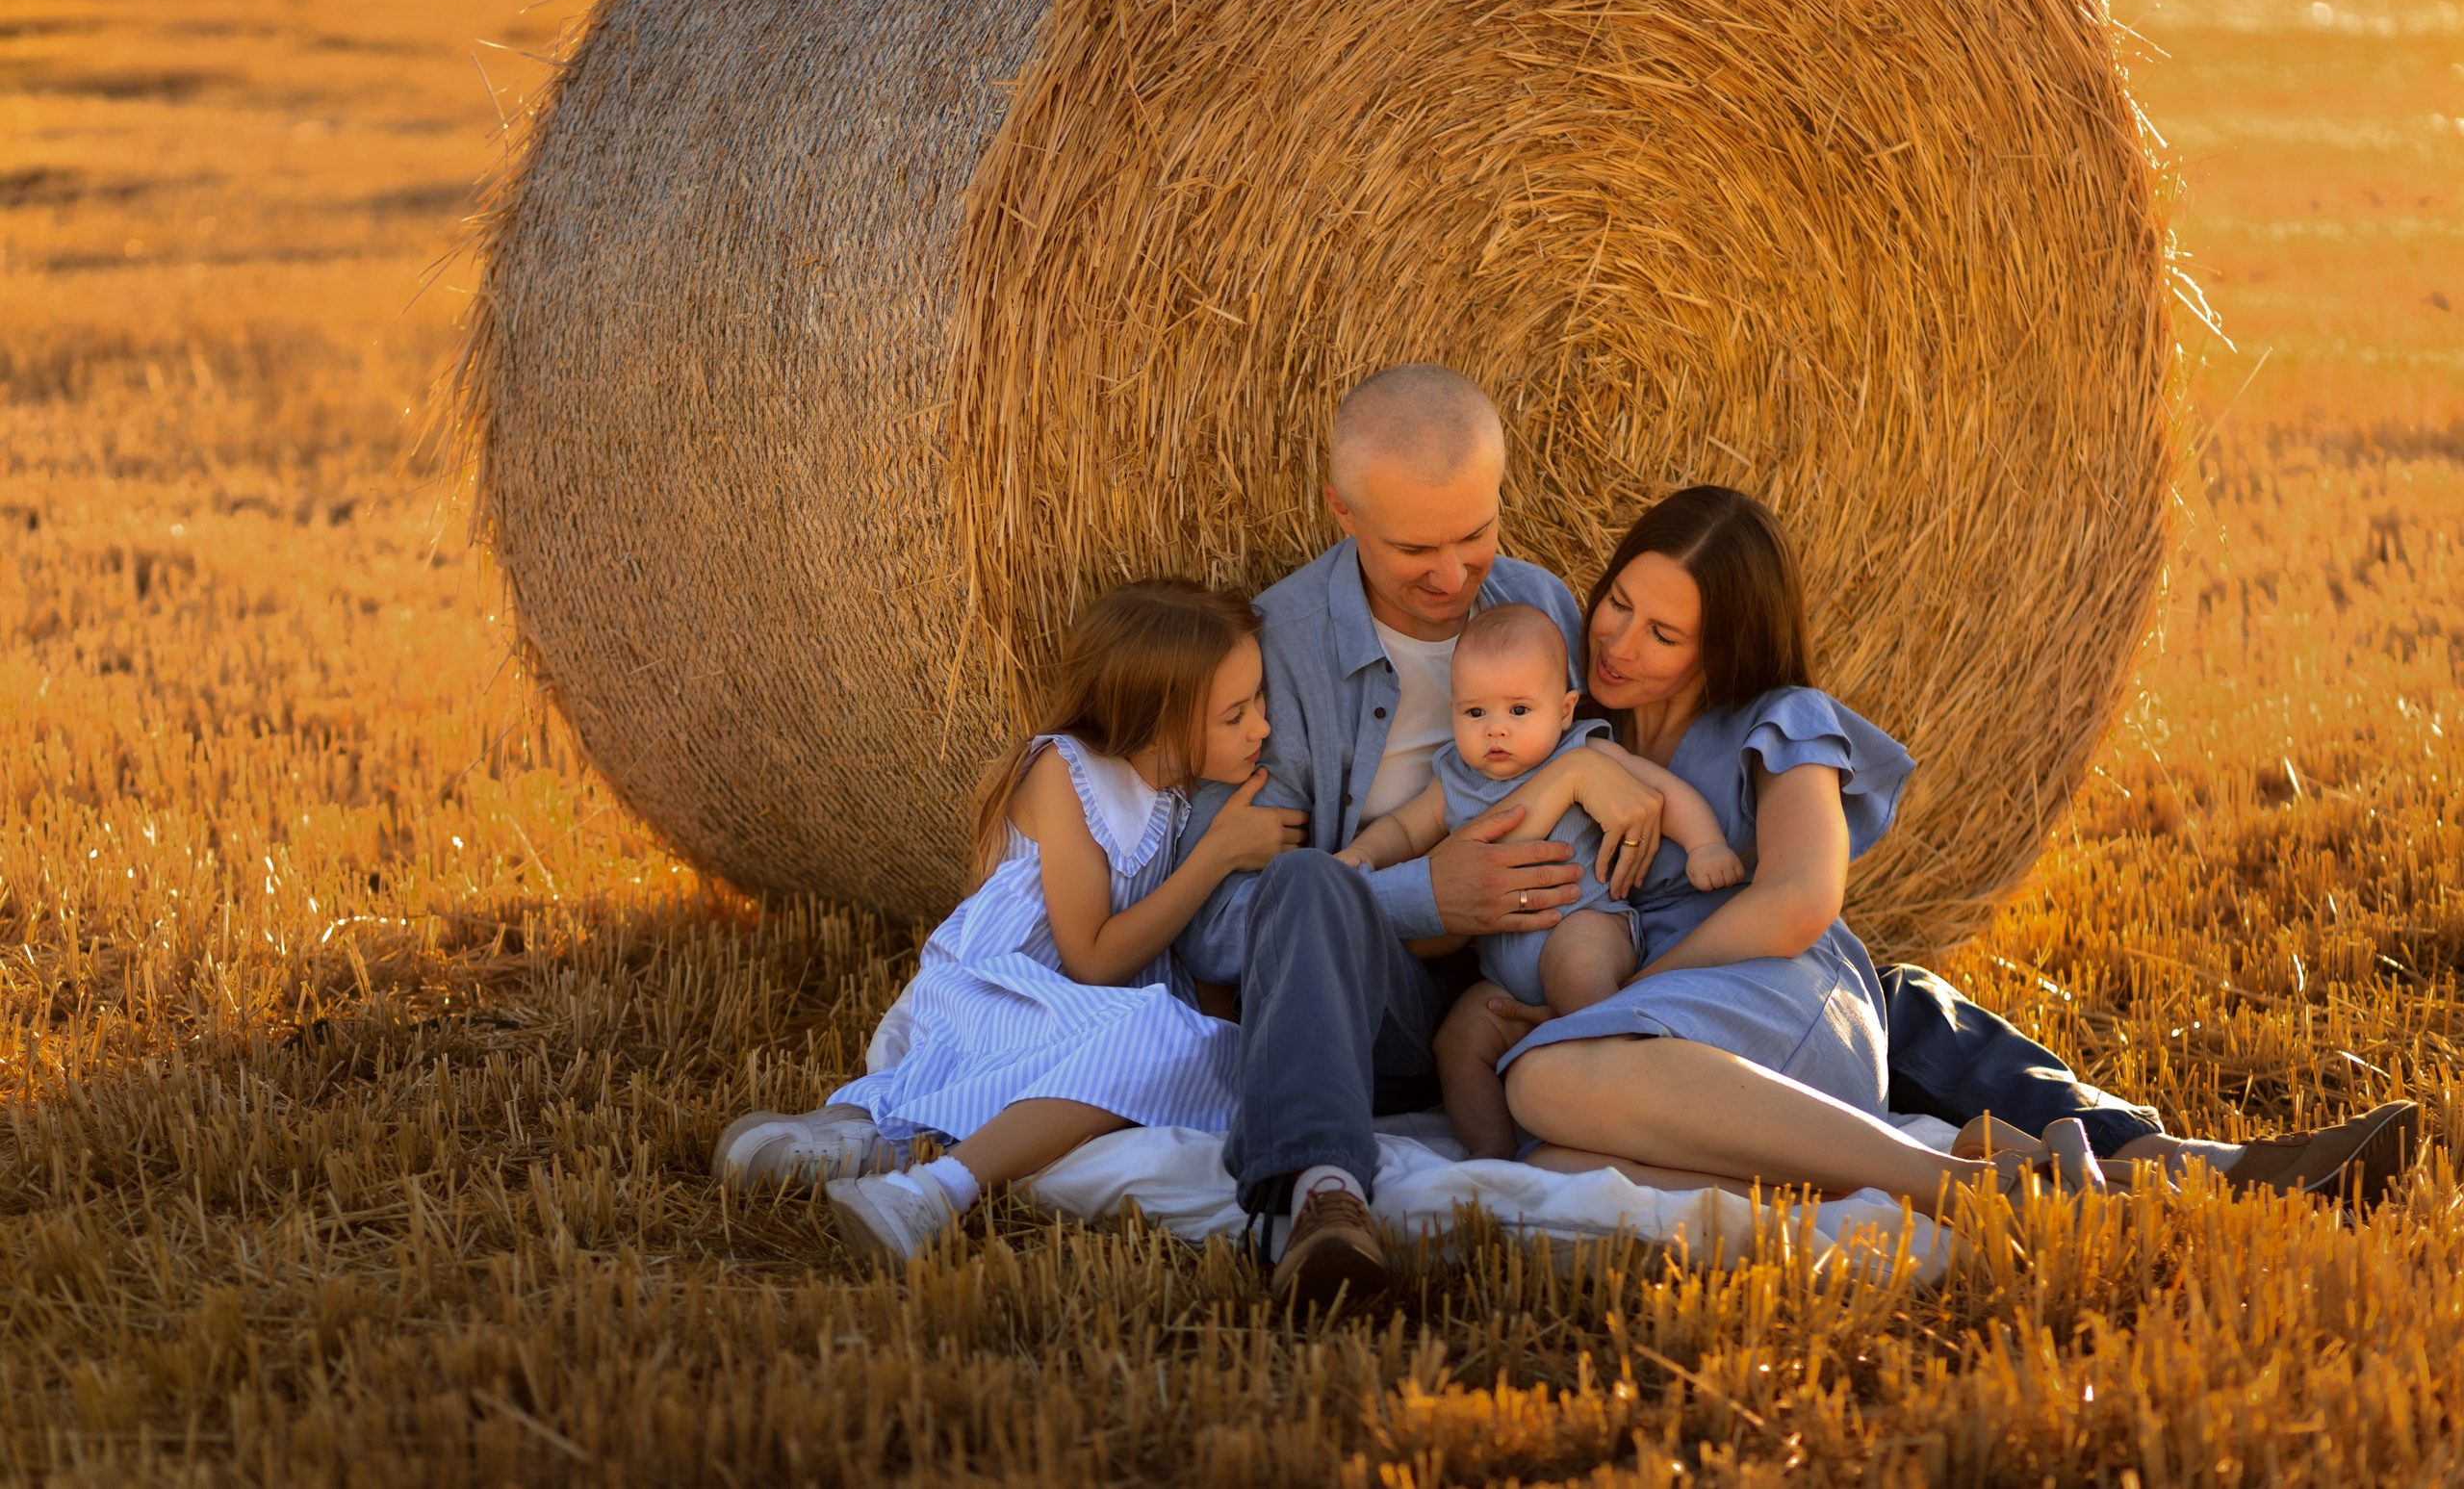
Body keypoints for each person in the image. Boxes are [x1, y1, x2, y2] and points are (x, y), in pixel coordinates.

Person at [1170, 365, 2421, 1310]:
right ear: (1341, 509)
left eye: (1475, 534)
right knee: (1312, 901)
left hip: (1577, 957)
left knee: (1860, 982)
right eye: (1414, 547)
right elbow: (1221, 928)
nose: (1458, 578)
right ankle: (1321, 1201)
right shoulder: (1277, 653)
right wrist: (1425, 890)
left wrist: (1605, 795)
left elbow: (1640, 776)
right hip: (1401, 992)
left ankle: (2161, 1153)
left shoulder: (1537, 600)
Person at [1494, 485, 2421, 1207]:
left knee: (1545, 1078)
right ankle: (2009, 1186)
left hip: (1771, 995)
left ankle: (1962, 1185)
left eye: (1664, 632)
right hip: (1684, 1044)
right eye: (1615, 602)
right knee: (1561, 1152)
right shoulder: (1572, 722)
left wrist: (1631, 998)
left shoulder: (1779, 722)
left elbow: (1800, 900)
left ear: (1726, 644)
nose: (1616, 640)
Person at [724, 578, 1305, 1260]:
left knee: (1206, 1048)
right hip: (1006, 994)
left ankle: (883, 1146)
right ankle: (930, 1192)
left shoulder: (1183, 793)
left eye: (1259, 698)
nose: (1262, 726)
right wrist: (1216, 856)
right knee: (1148, 1030)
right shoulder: (1067, 772)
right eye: (1234, 714)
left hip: (1085, 1010)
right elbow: (1090, 957)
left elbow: (1197, 953)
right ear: (1155, 721)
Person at [1333, 601, 1739, 1158]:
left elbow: (1657, 794)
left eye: (1520, 710)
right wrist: (1360, 854)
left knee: (1579, 975)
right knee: (1457, 1041)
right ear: (1452, 710)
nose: (1495, 729)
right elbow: (1404, 829)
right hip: (1504, 971)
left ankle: (1619, 1103)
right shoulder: (1454, 776)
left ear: (1566, 709)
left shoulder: (1585, 750)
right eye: (1475, 713)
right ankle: (1495, 1163)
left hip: (1585, 919)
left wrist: (1705, 843)